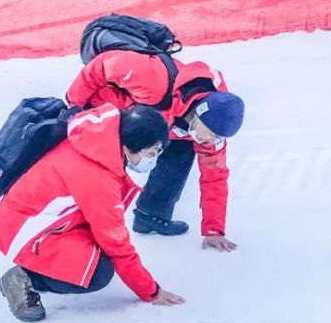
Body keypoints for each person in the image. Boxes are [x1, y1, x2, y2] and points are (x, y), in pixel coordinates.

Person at [0, 104, 186, 322]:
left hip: (35, 217)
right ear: (129, 148)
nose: (153, 160)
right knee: (97, 272)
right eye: (150, 153)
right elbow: (116, 242)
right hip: (23, 228)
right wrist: (151, 291)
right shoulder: (97, 176)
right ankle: (24, 279)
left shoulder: (96, 142)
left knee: (95, 252)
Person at [66, 51, 245, 251]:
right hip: (104, 112)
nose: (212, 140)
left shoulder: (212, 123)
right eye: (211, 133)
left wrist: (214, 229)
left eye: (219, 138)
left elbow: (215, 177)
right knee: (106, 168)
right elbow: (102, 65)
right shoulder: (155, 81)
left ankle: (150, 215)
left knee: (183, 148)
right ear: (200, 112)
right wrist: (74, 106)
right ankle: (84, 225)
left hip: (151, 122)